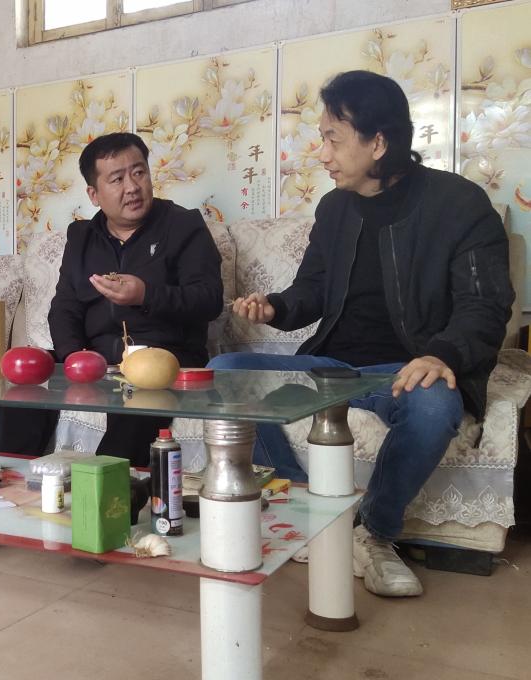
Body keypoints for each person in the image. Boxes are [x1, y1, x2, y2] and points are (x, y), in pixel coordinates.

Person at [208, 71, 514, 597]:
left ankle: (374, 532)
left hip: (407, 369)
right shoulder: (335, 207)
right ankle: (305, 505)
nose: (322, 154)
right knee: (222, 373)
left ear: (378, 143)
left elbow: (485, 305)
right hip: (332, 368)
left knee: (436, 406)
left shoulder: (459, 204)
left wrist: (440, 355)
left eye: (333, 139)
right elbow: (312, 289)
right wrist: (275, 306)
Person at [0, 132, 223, 465]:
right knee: (26, 385)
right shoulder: (82, 237)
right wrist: (74, 358)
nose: (132, 187)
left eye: (139, 172)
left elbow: (209, 299)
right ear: (94, 194)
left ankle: (105, 485)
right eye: (117, 179)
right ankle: (12, 477)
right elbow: (64, 308)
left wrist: (145, 294)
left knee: (139, 400)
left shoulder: (182, 225)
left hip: (163, 360)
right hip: (97, 359)